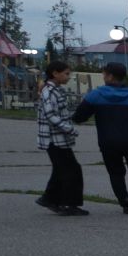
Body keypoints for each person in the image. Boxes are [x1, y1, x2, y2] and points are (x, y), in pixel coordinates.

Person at [74, 61, 128, 213]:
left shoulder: (96, 94)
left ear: (110, 76)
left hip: (107, 141)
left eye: (104, 73)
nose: (103, 76)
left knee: (116, 172)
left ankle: (125, 203)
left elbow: (79, 116)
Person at [35, 60, 86, 216]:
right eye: (66, 73)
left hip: (59, 139)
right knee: (72, 171)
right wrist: (69, 129)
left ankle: (49, 198)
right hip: (54, 139)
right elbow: (51, 116)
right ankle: (69, 203)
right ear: (55, 73)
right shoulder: (49, 92)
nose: (68, 77)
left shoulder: (56, 90)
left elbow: (62, 112)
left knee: (60, 170)